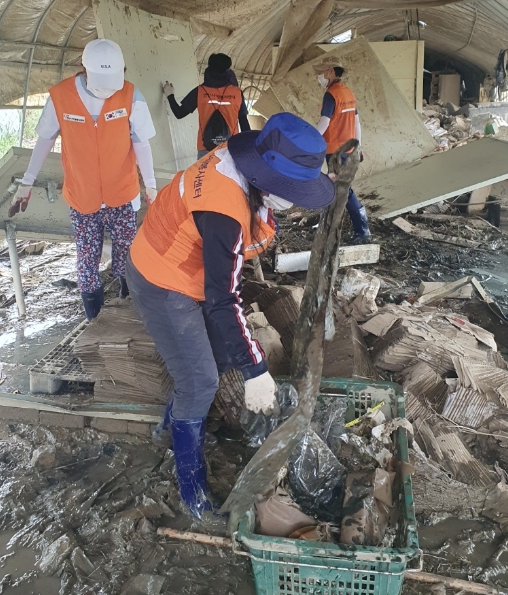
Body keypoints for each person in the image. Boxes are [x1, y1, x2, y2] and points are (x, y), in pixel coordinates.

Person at [126, 112, 335, 518]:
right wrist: (256, 370)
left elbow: (223, 290)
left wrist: (245, 359)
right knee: (200, 381)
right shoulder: (224, 210)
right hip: (162, 275)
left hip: (191, 267)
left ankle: (169, 429)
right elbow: (222, 299)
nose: (293, 200)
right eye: (290, 191)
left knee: (221, 356)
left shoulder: (245, 169)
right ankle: (193, 495)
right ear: (266, 178)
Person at [10, 39, 157, 320]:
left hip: (121, 194)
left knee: (127, 255)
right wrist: (27, 182)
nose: (107, 90)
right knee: (87, 261)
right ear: (84, 68)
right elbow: (45, 140)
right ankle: (94, 319)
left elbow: (142, 142)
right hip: (82, 197)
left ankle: (128, 308)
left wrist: (150, 184)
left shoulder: (131, 95)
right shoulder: (61, 97)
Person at [315, 62, 370, 244]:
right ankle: (330, 225)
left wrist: (310, 139)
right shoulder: (348, 93)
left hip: (335, 151)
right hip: (348, 149)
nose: (320, 76)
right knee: (337, 187)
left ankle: (362, 230)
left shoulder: (331, 94)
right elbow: (357, 122)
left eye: (322, 72)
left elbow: (324, 122)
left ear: (331, 71)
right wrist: (358, 146)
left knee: (344, 190)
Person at [162, 52, 251, 158]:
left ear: (209, 69)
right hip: (230, 148)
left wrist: (170, 95)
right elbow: (244, 123)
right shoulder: (237, 93)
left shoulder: (200, 91)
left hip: (205, 148)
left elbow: (179, 113)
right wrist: (248, 148)